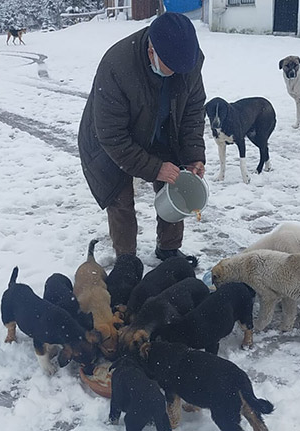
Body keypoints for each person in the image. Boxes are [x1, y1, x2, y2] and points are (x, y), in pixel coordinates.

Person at [78, 12, 206, 267]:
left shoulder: (187, 61)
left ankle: (168, 249)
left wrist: (193, 156)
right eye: (172, 68)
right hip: (108, 140)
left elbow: (193, 110)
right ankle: (127, 260)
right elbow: (112, 136)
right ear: (152, 52)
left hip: (160, 129)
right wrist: (154, 168)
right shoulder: (117, 66)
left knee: (175, 183)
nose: (180, 73)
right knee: (120, 196)